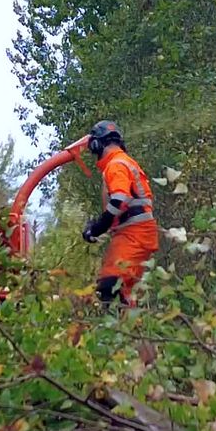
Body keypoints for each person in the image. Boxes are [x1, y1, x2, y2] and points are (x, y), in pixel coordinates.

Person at [82, 120, 158, 305]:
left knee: (109, 286)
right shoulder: (124, 162)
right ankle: (132, 330)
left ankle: (115, 331)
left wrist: (99, 227)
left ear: (96, 144)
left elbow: (119, 199)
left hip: (134, 235)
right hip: (136, 233)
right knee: (123, 291)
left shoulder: (115, 165)